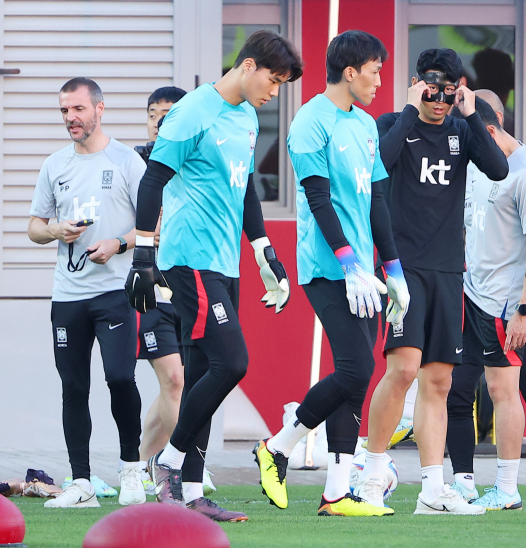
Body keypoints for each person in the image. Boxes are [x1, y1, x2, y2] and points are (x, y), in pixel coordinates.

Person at [126, 30, 303, 523]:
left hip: (227, 263)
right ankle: (171, 462)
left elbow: (245, 186)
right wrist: (143, 258)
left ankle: (193, 493)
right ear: (248, 65)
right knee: (233, 362)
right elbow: (153, 178)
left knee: (205, 373)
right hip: (190, 259)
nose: (274, 91)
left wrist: (265, 251)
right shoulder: (191, 113)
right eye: (274, 79)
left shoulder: (246, 116)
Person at [254, 30, 409, 518]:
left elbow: (377, 200)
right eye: (375, 71)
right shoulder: (308, 122)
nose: (380, 81)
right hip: (327, 268)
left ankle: (337, 493)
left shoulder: (364, 125)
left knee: (354, 379)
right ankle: (276, 447)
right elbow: (318, 198)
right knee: (357, 369)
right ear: (350, 71)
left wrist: (393, 268)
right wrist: (346, 261)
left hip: (367, 272)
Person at [357, 48, 508, 514]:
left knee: (438, 380)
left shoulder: (463, 128)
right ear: (418, 84)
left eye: (448, 91)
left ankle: (431, 488)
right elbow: (378, 165)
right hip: (403, 267)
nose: (439, 100)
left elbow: (498, 169)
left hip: (447, 268)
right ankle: (371, 471)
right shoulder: (391, 123)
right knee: (402, 369)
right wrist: (407, 109)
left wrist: (470, 113)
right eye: (432, 89)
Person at [446, 91, 526, 510]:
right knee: (456, 390)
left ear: (488, 129)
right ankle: (463, 483)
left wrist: (523, 310)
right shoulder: (476, 162)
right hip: (473, 297)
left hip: (509, 308)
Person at [27, 77, 147, 508]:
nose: (70, 119)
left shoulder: (128, 161)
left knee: (119, 377)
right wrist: (55, 230)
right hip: (68, 297)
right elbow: (34, 227)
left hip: (114, 291)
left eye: (77, 109)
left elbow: (156, 224)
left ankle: (131, 469)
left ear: (100, 109)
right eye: (64, 111)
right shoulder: (54, 165)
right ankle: (81, 483)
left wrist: (118, 243)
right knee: (74, 387)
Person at [134, 85, 215, 496]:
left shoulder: (197, 155)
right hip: (150, 287)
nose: (160, 121)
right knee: (173, 378)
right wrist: (143, 239)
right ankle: (152, 465)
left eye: (169, 114)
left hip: (189, 280)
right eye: (154, 114)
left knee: (188, 379)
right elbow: (122, 221)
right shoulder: (136, 162)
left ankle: (158, 460)